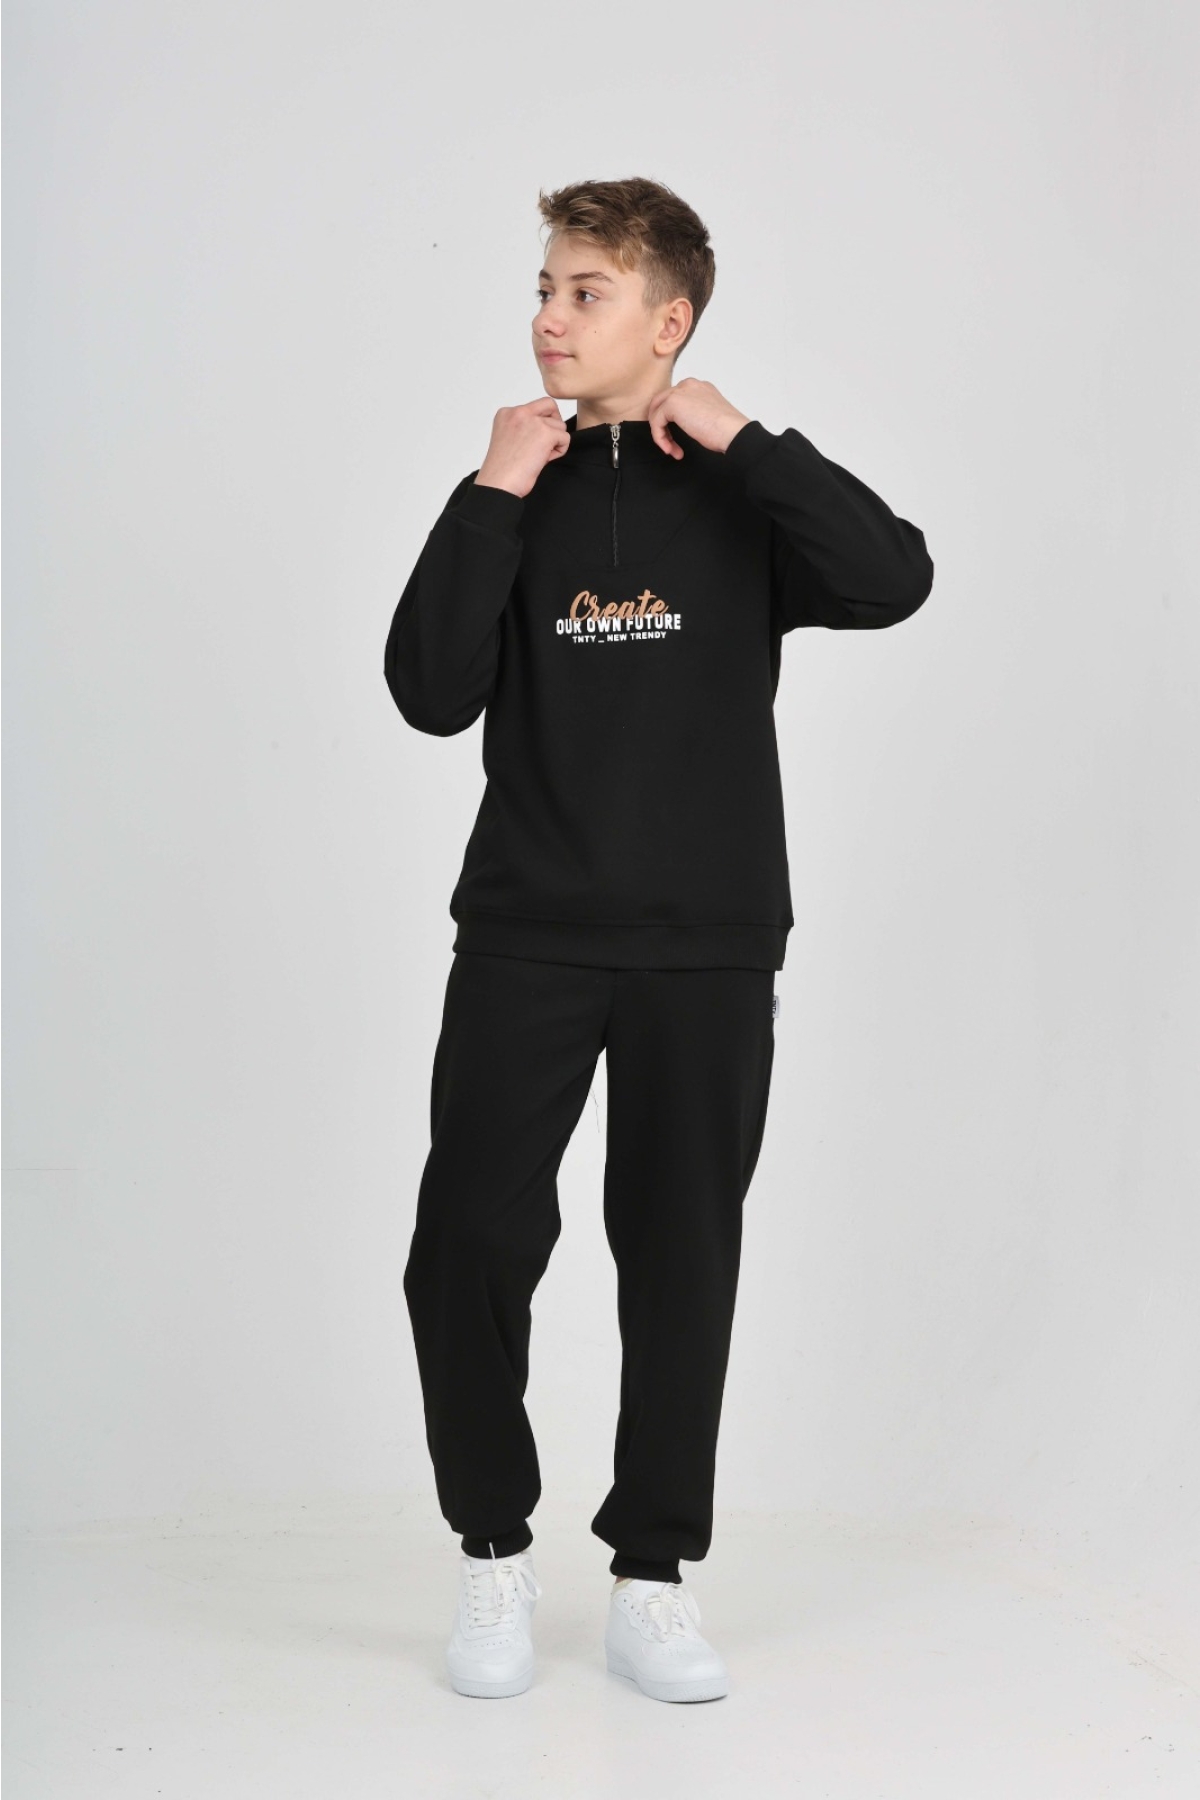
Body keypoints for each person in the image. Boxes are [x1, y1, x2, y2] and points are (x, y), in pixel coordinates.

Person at [383, 175, 934, 1703]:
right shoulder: (517, 487)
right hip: (528, 932)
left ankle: (651, 1576)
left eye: (585, 292)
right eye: (543, 290)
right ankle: (493, 1552)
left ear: (669, 318)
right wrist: (492, 490)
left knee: (682, 1256)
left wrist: (746, 439)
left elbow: (893, 577)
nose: (549, 319)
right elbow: (428, 689)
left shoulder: (741, 499)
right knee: (467, 1243)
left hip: (708, 937)